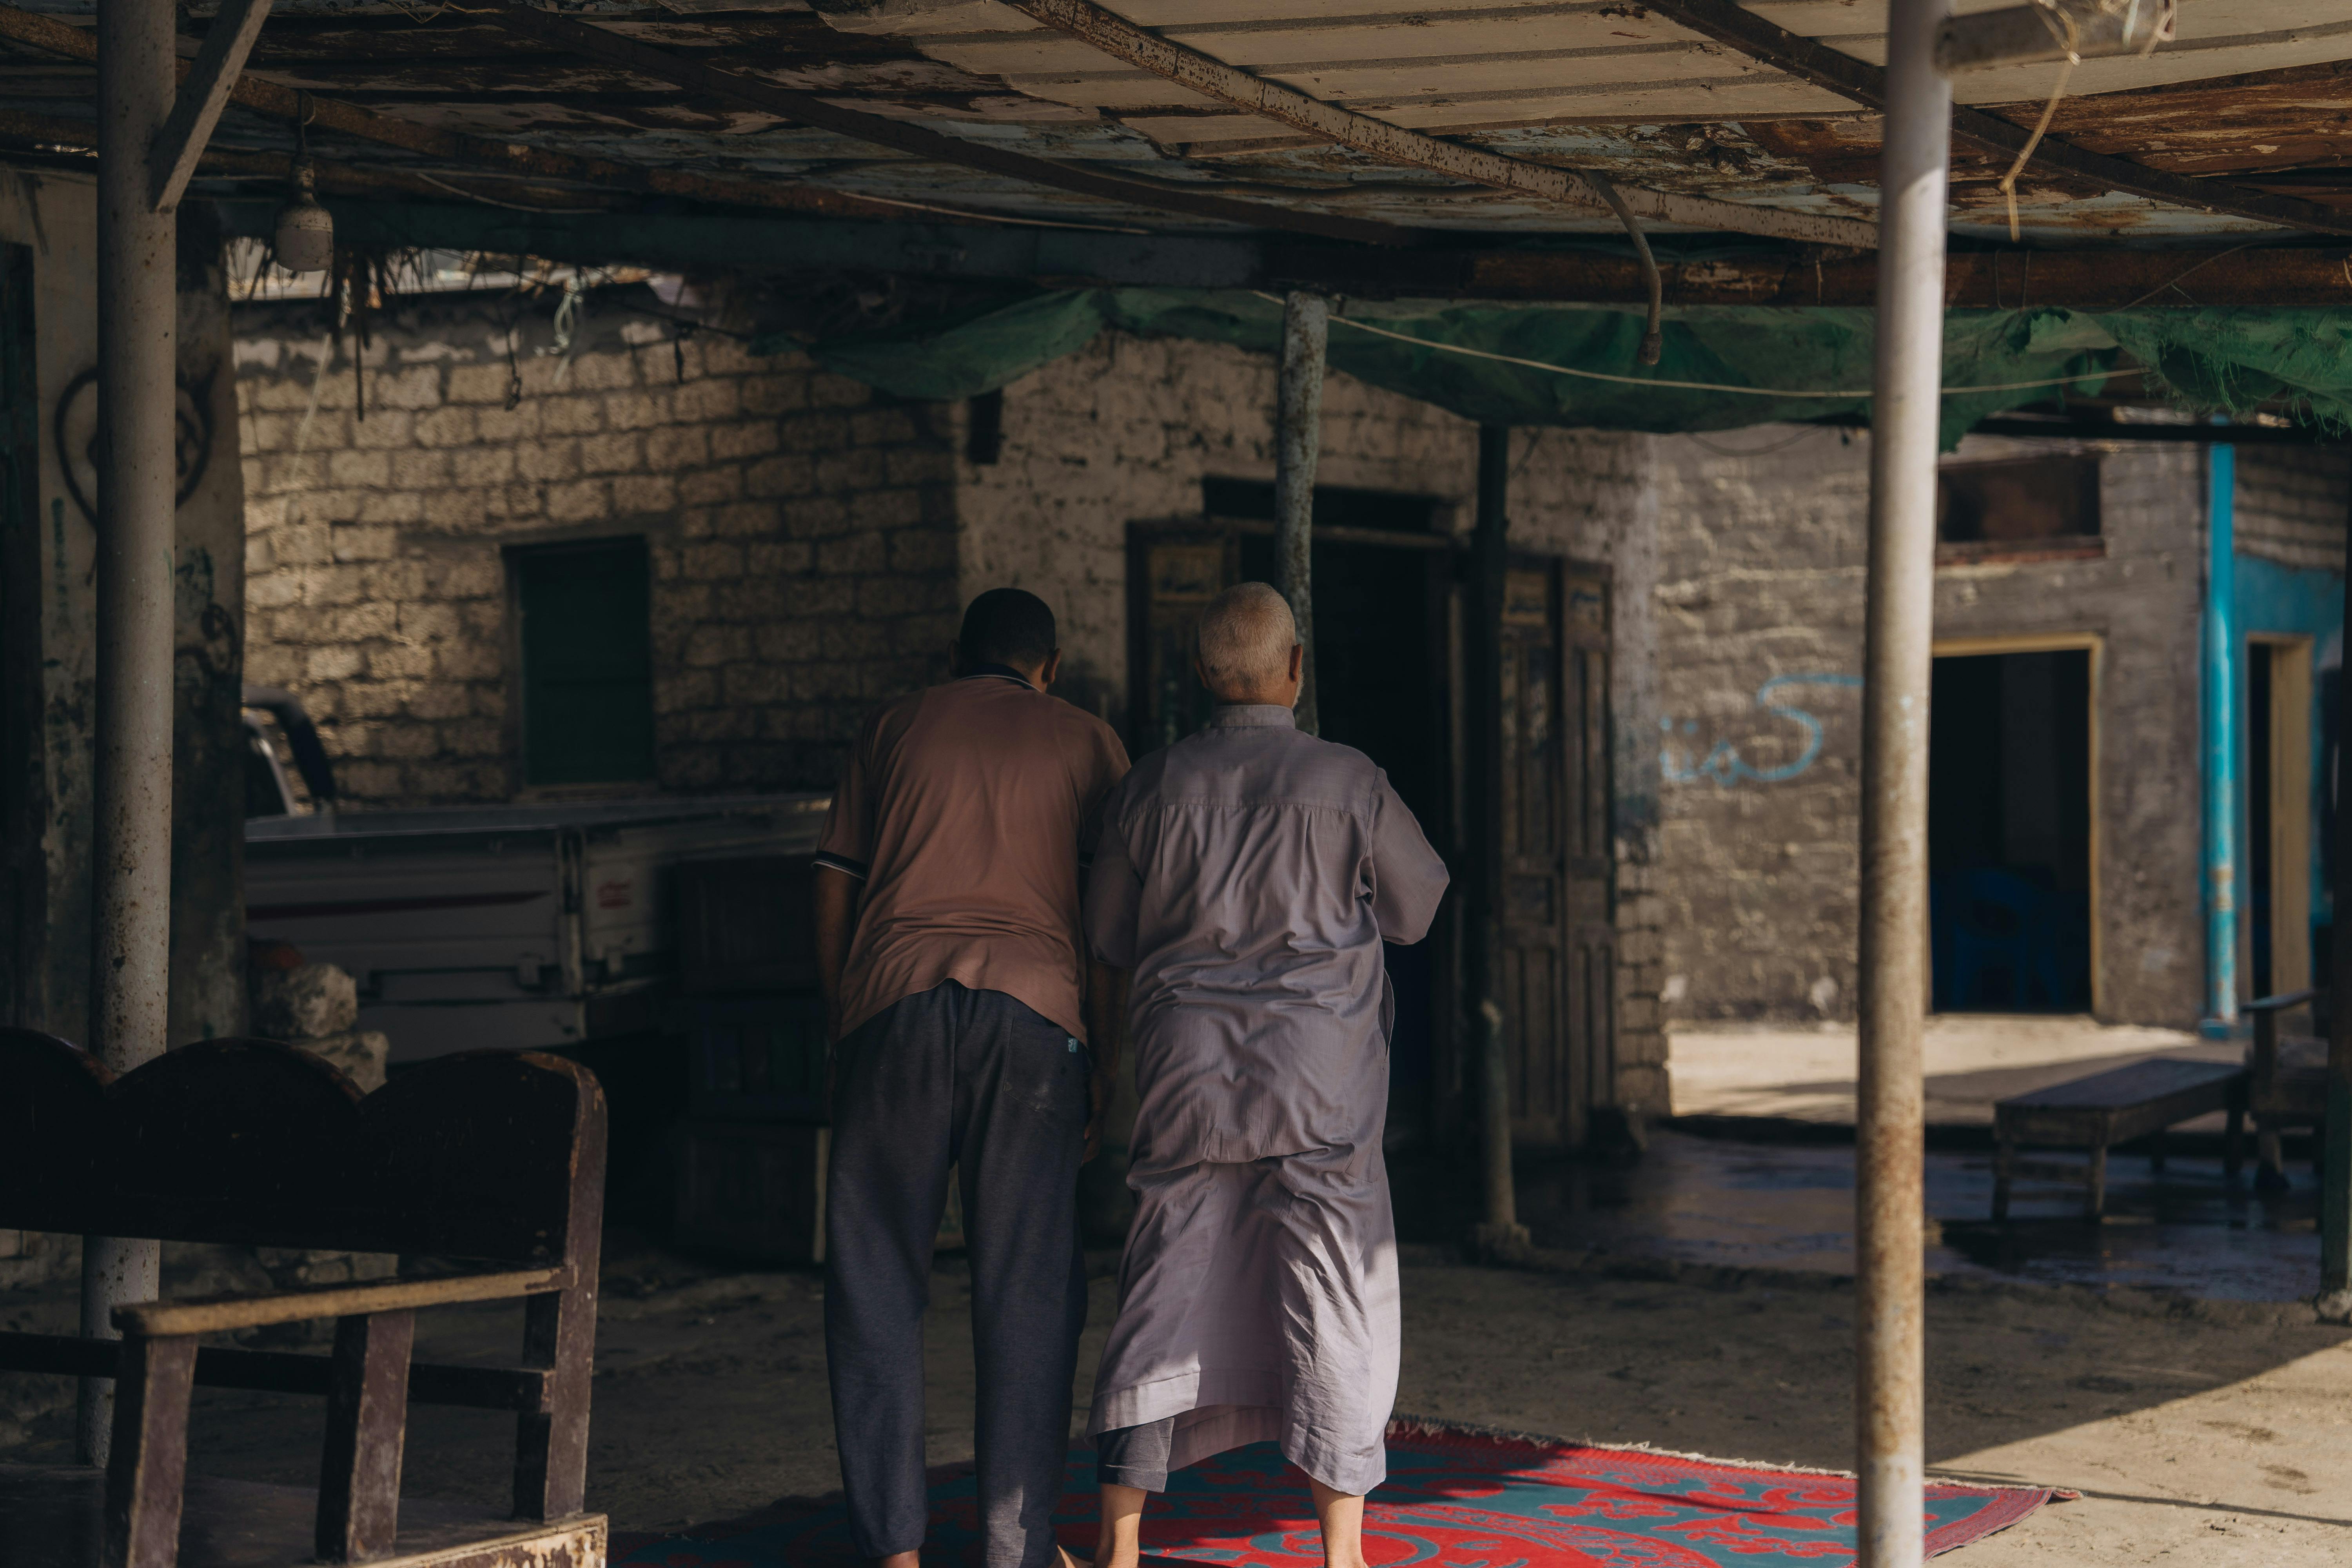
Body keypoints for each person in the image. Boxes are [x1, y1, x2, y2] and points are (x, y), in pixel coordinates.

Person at [1080, 581, 1450, 1568]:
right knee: (1333, 1290)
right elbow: (1416, 908)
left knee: (1160, 1284)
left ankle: (1118, 1551)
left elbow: (1109, 933)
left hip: (1185, 1077)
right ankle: (1342, 1554)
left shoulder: (1152, 784)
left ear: (1203, 674)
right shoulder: (1348, 778)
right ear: (1295, 669)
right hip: (1318, 1081)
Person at [813, 587, 1131, 1568]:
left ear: (957, 656)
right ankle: (1015, 1550)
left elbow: (834, 885)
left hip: (894, 1008)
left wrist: (847, 1023)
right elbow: (1112, 927)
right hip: (1035, 1021)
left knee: (874, 1282)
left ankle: (894, 1555)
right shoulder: (1087, 740)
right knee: (1028, 1289)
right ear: (1053, 661)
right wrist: (1106, 1065)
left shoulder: (892, 726)